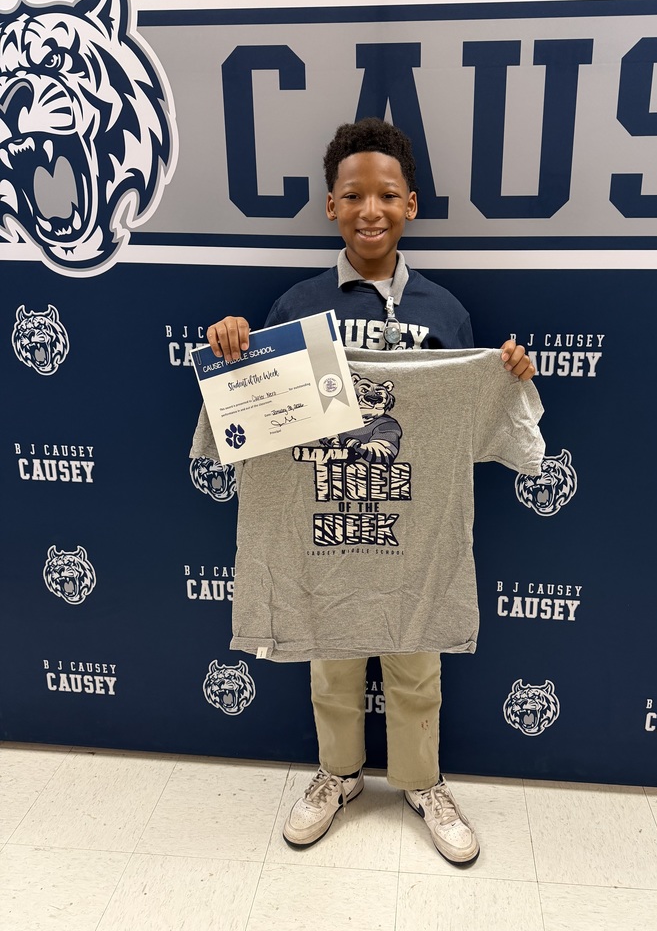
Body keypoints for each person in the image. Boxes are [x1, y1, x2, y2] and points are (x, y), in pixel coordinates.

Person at [207, 117, 535, 866]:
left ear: (410, 205)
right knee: (332, 651)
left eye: (387, 195)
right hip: (326, 513)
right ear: (331, 207)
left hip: (415, 525)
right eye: (353, 195)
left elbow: (470, 417)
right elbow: (260, 422)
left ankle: (422, 780)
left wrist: (506, 374)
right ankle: (340, 775)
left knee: (418, 656)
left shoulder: (445, 313)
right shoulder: (294, 309)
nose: (370, 209)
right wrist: (234, 347)